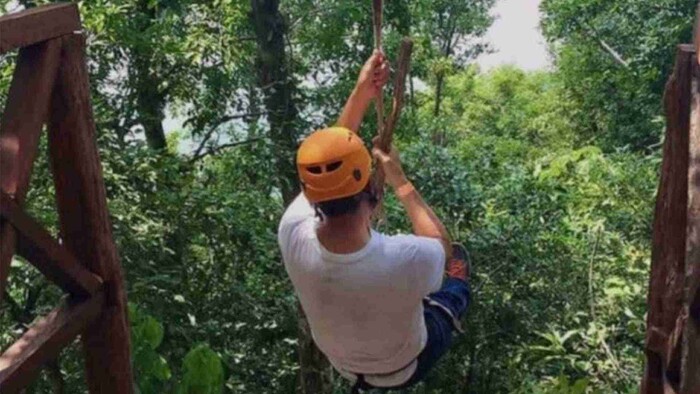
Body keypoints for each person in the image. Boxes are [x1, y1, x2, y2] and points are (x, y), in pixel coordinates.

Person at [277, 51, 472, 392]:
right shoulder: (405, 257)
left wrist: (362, 91)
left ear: (311, 196)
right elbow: (442, 246)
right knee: (453, 283)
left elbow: (329, 159)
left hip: (347, 368)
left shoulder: (292, 232)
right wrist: (398, 176)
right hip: (406, 365)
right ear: (373, 193)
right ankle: (456, 295)